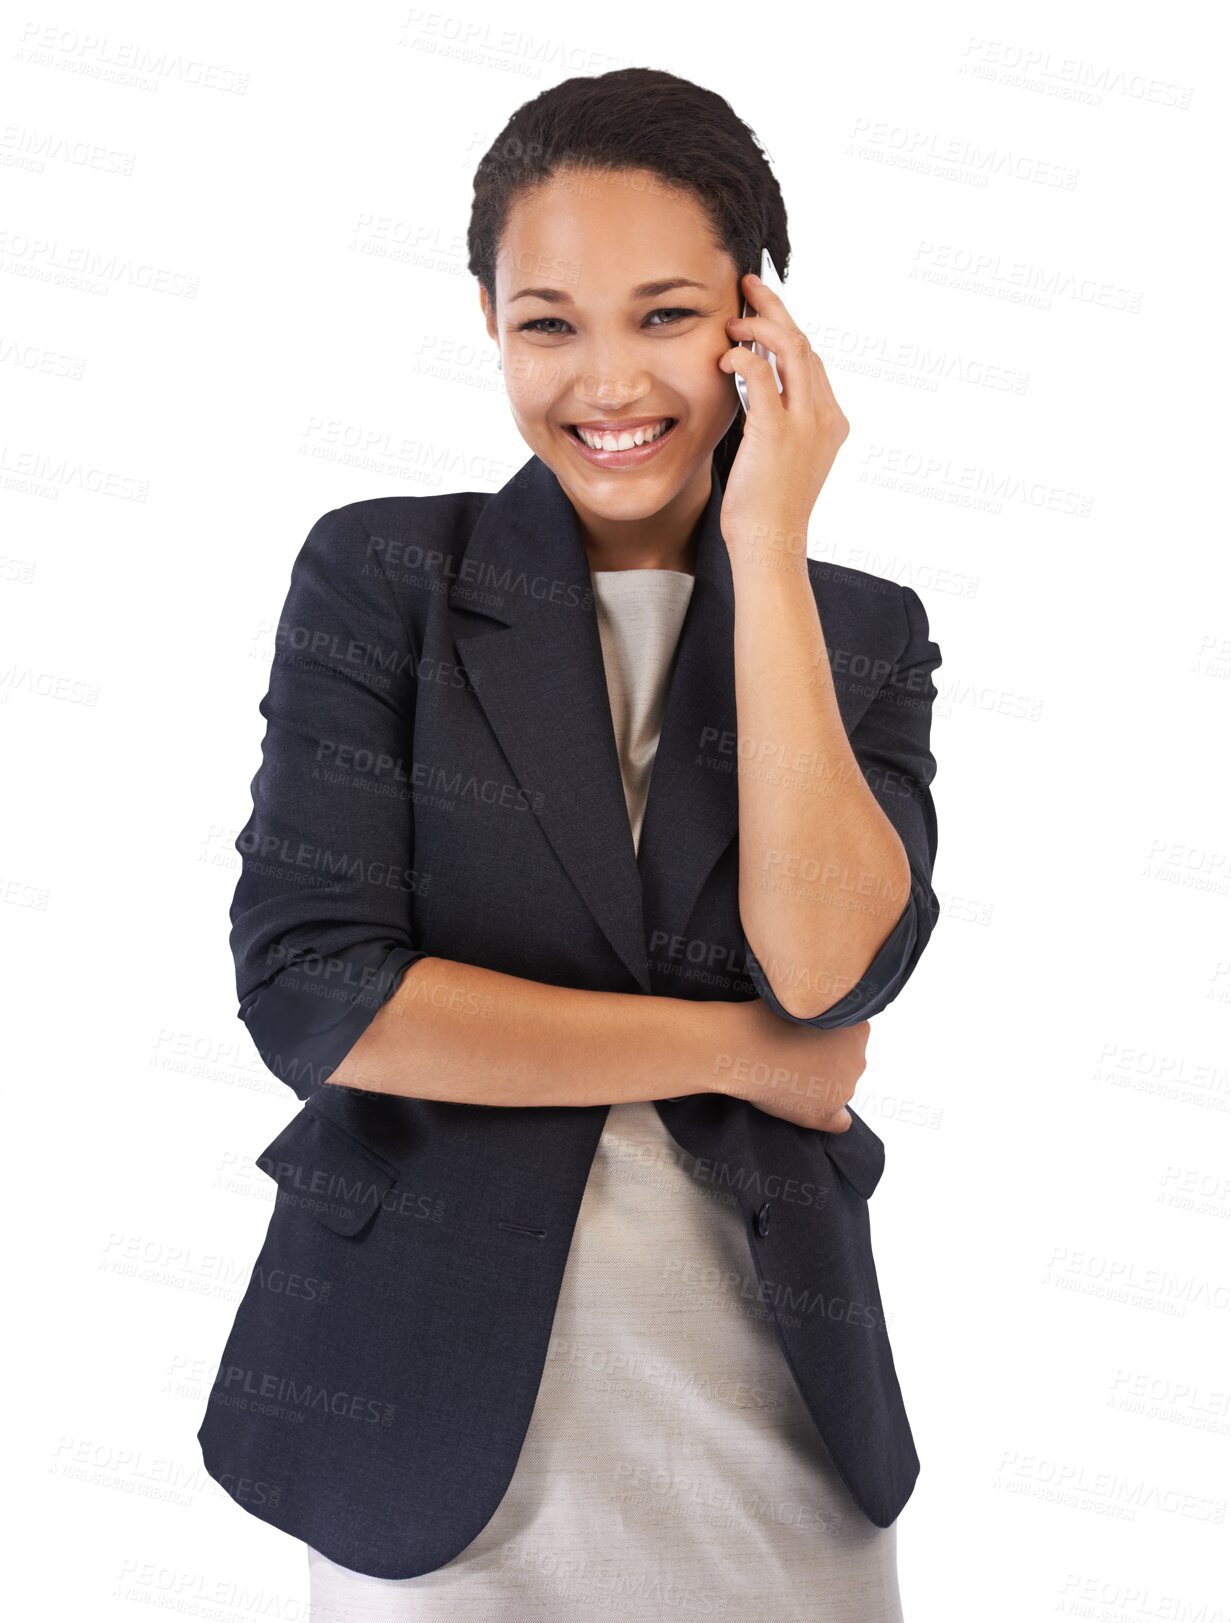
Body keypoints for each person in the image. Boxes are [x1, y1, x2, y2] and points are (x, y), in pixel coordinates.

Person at [198, 66, 942, 1622]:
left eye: (665, 316)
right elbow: (325, 999)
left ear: (755, 317)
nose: (607, 381)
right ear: (489, 322)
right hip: (433, 1420)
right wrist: (735, 1052)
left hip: (772, 1409)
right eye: (550, 323)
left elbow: (827, 966)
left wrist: (769, 551)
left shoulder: (855, 631)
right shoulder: (383, 576)